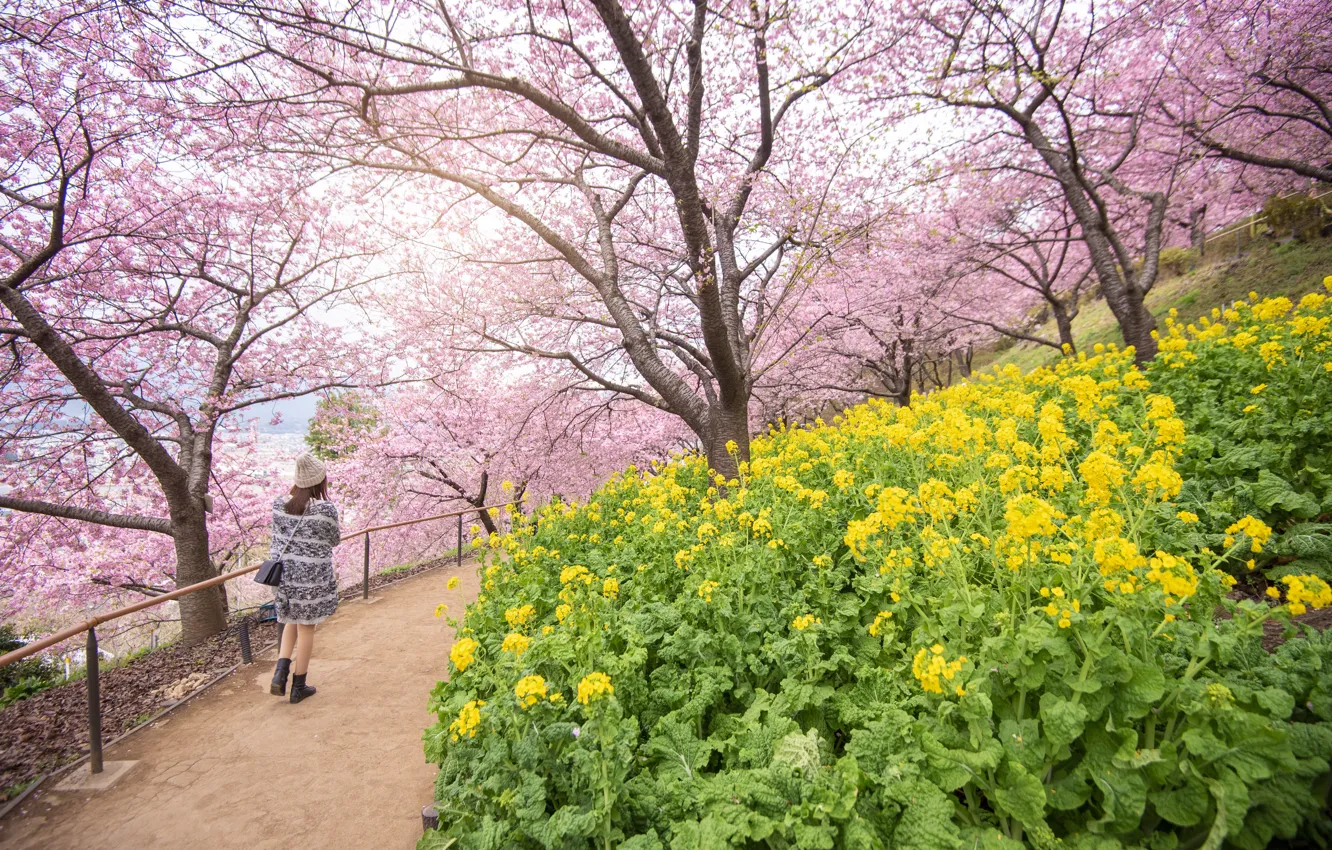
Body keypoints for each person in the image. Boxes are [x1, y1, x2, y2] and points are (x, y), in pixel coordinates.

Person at [269, 453, 341, 703]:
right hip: (312, 579)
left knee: (289, 619)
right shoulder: (326, 509)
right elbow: (334, 540)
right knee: (307, 627)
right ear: (320, 481)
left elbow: (276, 540)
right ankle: (299, 685)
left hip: (285, 578)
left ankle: (280, 673)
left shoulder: (279, 505)